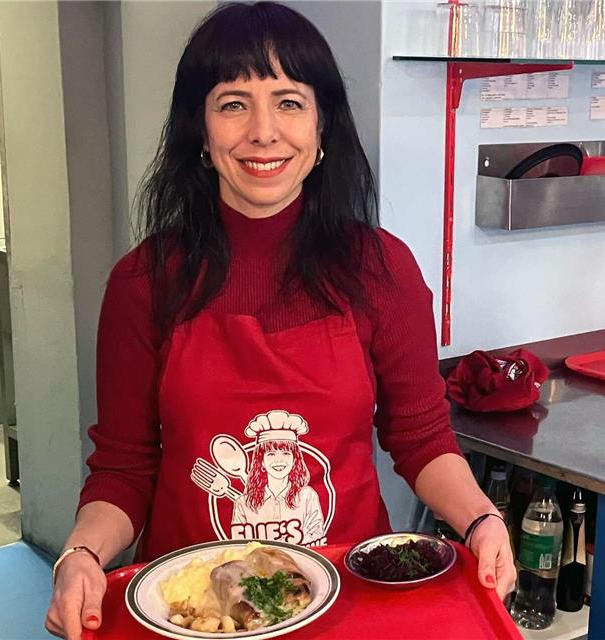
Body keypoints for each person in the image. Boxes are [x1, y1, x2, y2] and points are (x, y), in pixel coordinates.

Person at [45, 3, 514, 638]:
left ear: (322, 127)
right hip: (191, 610)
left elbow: (421, 436)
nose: (263, 132)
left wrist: (482, 522)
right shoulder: (143, 282)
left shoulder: (382, 270)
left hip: (349, 602)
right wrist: (81, 555)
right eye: (233, 104)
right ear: (200, 130)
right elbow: (124, 468)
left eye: (289, 102)